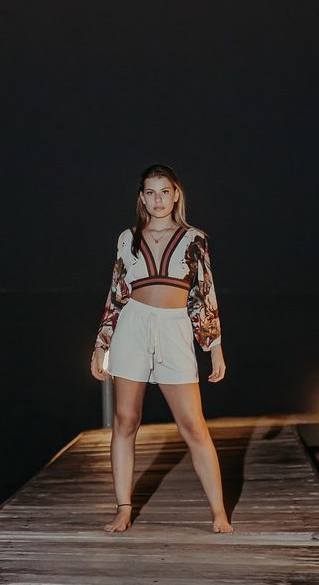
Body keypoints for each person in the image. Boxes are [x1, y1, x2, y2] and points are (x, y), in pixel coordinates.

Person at [90, 163, 233, 534]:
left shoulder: (194, 239)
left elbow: (204, 294)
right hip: (132, 327)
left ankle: (219, 512)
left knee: (194, 425)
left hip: (175, 329)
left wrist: (214, 346)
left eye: (164, 192)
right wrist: (101, 343)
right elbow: (116, 293)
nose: (158, 200)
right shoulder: (127, 238)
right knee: (126, 421)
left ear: (176, 194)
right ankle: (123, 508)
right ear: (142, 197)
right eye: (151, 193)